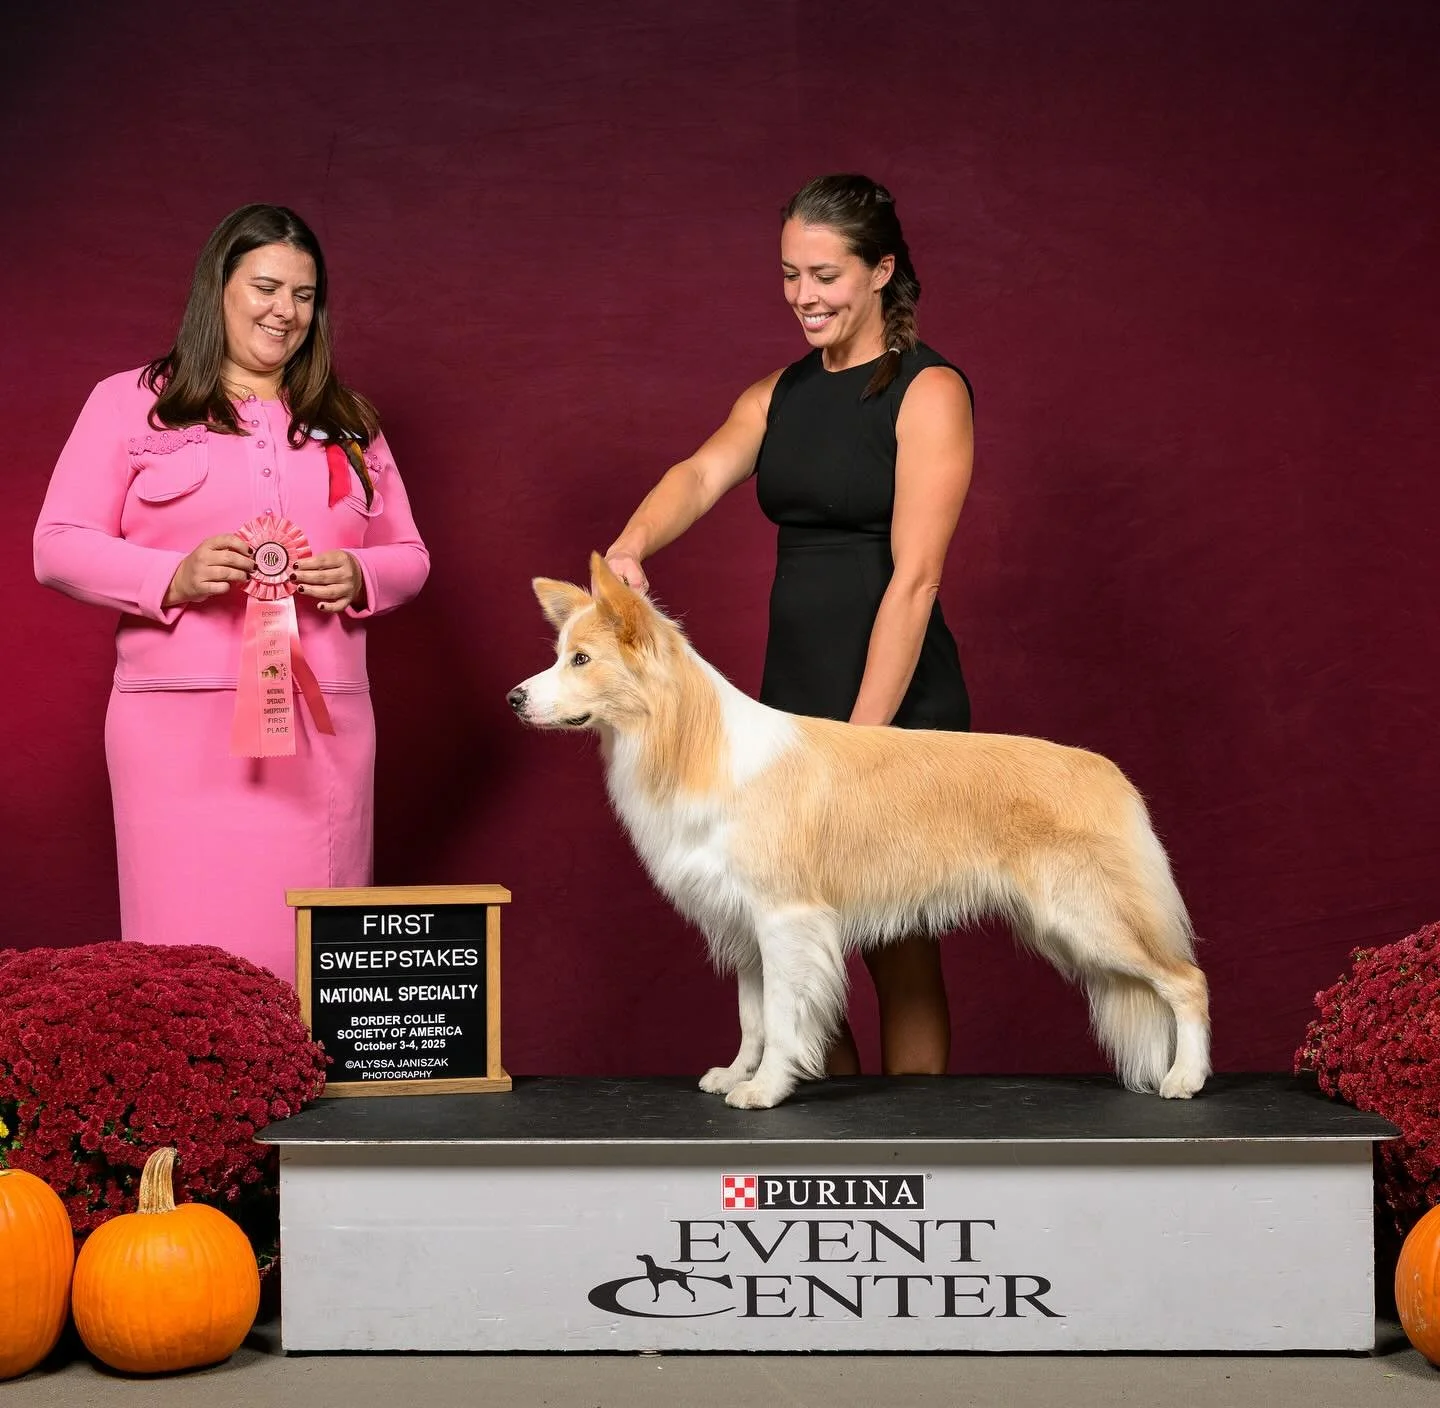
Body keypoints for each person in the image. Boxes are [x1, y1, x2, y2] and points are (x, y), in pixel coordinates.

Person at [605, 173, 975, 1076]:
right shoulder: (778, 392)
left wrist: (864, 743)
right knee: (791, 938)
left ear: (882, 270)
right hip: (790, 703)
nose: (804, 296)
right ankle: (832, 1140)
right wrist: (629, 545)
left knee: (897, 941)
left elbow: (916, 579)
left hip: (893, 698)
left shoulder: (930, 393)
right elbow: (698, 474)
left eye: (826, 275)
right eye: (788, 275)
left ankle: (919, 1148)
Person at [34, 204, 429, 985]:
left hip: (325, 727)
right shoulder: (129, 400)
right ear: (219, 286)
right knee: (183, 952)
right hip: (175, 723)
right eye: (267, 287)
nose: (286, 311)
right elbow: (56, 544)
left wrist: (360, 576)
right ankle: (201, 1090)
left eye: (305, 295)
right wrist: (168, 576)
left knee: (313, 947)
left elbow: (410, 555)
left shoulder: (348, 422)